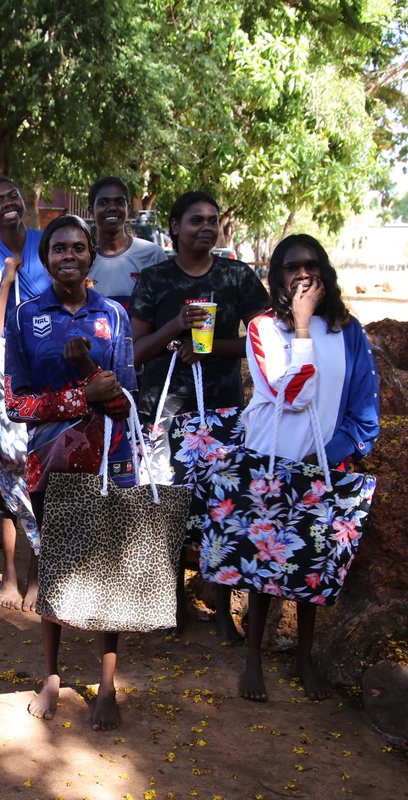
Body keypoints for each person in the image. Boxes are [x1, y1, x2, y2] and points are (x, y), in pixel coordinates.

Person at [5, 214, 137, 731]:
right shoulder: (26, 316)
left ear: (91, 256)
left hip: (109, 455)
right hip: (51, 455)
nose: (68, 255)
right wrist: (82, 394)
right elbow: (17, 402)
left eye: (78, 248)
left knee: (109, 570)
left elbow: (127, 395)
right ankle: (53, 675)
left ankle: (106, 685)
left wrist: (103, 389)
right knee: (55, 565)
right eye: (58, 248)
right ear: (45, 258)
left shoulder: (114, 317)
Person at [238, 233, 380, 701]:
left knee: (310, 568)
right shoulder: (262, 329)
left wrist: (329, 458)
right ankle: (252, 661)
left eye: (311, 264)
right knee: (262, 570)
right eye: (291, 266)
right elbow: (291, 396)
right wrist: (300, 326)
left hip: (325, 464)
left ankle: (304, 661)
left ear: (324, 272)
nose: (303, 274)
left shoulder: (348, 331)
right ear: (277, 276)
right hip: (272, 461)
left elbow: (365, 412)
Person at [129, 191, 269, 643]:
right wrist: (176, 329)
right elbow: (134, 352)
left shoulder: (236, 276)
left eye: (212, 220)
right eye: (195, 220)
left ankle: (223, 607)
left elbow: (265, 337)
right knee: (166, 506)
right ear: (174, 226)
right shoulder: (154, 280)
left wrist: (210, 347)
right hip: (163, 410)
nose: (205, 228)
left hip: (222, 410)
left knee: (220, 510)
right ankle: (170, 600)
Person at [0, 177, 51, 610]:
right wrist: (6, 279)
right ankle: (10, 572)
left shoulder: (49, 243)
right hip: (7, 384)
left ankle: (39, 571)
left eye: (13, 197)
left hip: (52, 380)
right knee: (9, 478)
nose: (7, 205)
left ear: (25, 202)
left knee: (44, 475)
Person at [86, 176, 168, 308]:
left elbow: (165, 308)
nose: (112, 208)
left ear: (128, 209)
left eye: (119, 202)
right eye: (103, 203)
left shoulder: (153, 254)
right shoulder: (82, 259)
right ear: (91, 211)